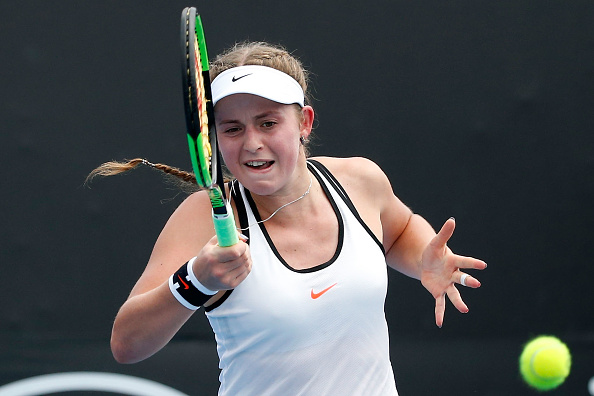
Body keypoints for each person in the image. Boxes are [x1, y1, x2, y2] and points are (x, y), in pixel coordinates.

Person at [90, 41, 487, 395]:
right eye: (232, 128)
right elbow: (127, 344)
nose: (252, 143)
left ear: (304, 123)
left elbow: (399, 232)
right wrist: (195, 281)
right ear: (214, 140)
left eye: (268, 122)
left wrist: (423, 259)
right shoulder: (203, 217)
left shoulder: (359, 180)